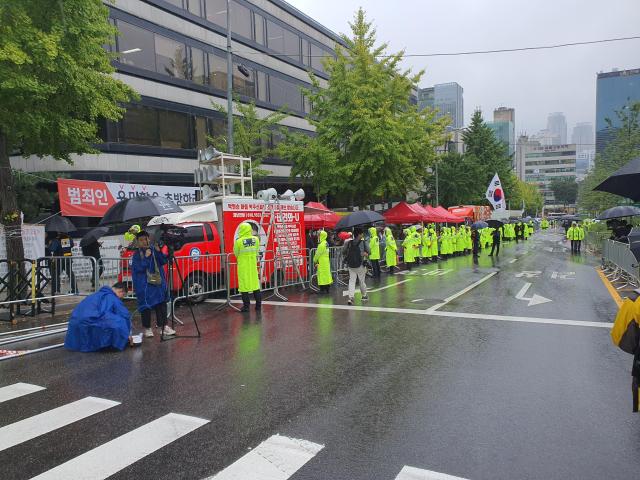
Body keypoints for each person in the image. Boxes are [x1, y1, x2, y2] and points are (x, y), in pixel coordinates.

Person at [64, 282, 132, 352]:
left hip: (75, 319)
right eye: (123, 295)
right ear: (121, 291)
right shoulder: (111, 297)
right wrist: (127, 333)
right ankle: (110, 344)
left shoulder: (96, 294)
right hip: (89, 320)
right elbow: (124, 314)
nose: (121, 298)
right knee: (118, 321)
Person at [131, 231, 175, 337]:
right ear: (137, 242)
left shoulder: (153, 249)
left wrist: (159, 251)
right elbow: (139, 268)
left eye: (146, 239)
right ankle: (147, 328)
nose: (144, 242)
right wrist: (146, 257)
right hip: (144, 284)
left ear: (149, 239)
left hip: (157, 283)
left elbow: (163, 261)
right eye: (141, 240)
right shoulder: (136, 254)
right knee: (145, 306)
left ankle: (163, 326)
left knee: (161, 303)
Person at [233, 222, 262, 312]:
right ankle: (258, 305)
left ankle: (246, 307)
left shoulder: (238, 241)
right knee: (255, 286)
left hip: (243, 267)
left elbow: (236, 253)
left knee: (244, 287)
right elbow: (257, 251)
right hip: (253, 266)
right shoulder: (256, 240)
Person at [342, 228, 369, 305]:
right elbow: (369, 251)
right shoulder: (363, 242)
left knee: (352, 281)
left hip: (351, 265)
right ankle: (364, 295)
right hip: (360, 264)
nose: (362, 235)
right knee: (361, 281)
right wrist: (364, 253)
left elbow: (343, 252)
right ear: (359, 234)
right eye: (362, 233)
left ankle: (351, 298)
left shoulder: (348, 242)